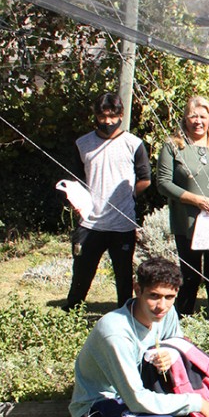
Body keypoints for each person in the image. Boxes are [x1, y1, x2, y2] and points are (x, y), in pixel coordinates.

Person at [70, 258, 209, 417]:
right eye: (154, 296)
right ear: (137, 289)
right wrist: (195, 402)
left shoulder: (167, 312)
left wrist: (169, 354)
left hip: (140, 396)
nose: (161, 306)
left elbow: (177, 343)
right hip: (101, 406)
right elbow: (136, 399)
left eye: (169, 297)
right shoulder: (115, 332)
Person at [64, 92, 150, 311]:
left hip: (122, 223)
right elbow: (75, 180)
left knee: (123, 275)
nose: (108, 122)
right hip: (90, 222)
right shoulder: (83, 144)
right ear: (96, 116)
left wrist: (128, 198)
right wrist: (78, 202)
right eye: (103, 117)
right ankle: (72, 312)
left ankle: (125, 313)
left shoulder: (133, 144)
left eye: (113, 116)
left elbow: (145, 180)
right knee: (82, 271)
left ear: (121, 114)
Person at [156, 95, 209, 322]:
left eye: (203, 116)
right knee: (189, 275)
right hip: (187, 222)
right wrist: (196, 200)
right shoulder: (173, 146)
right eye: (193, 116)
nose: (198, 121)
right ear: (185, 119)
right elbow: (163, 183)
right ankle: (183, 320)